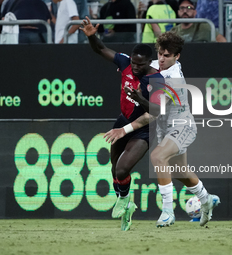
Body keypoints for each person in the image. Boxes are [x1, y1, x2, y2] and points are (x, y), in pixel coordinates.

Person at [105, 31, 220, 227]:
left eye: (167, 56)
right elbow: (142, 67)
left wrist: (124, 130)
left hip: (181, 125)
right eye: (160, 53)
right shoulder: (158, 67)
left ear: (177, 57)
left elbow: (152, 114)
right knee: (180, 171)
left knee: (157, 157)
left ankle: (168, 211)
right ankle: (207, 200)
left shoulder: (172, 79)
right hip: (164, 128)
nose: (162, 59)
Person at [80, 17, 165, 231]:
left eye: (140, 64)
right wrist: (92, 36)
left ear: (149, 62)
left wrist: (140, 99)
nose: (135, 67)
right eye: (134, 63)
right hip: (123, 120)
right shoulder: (125, 62)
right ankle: (126, 204)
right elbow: (101, 49)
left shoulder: (156, 79)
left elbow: (156, 111)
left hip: (144, 129)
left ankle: (125, 201)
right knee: (114, 168)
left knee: (121, 170)